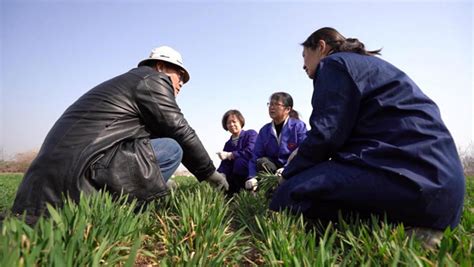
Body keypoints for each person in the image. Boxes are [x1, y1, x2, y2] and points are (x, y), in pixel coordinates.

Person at [270, 27, 466, 239]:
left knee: (289, 193)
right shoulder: (369, 66)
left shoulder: (333, 64)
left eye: (305, 55)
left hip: (412, 183)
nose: (303, 64)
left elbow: (325, 135)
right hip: (437, 185)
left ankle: (400, 229)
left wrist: (290, 172)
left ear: (321, 46)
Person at [12, 46, 228, 225]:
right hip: (74, 184)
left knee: (161, 146)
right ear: (161, 67)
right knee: (172, 149)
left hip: (48, 186)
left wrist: (161, 180)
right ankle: (114, 213)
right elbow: (179, 129)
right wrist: (210, 174)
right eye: (179, 75)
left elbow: (146, 139)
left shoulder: (131, 84)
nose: (181, 83)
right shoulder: (152, 80)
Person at [245, 92, 307, 191]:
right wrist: (252, 177)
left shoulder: (298, 126)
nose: (271, 107)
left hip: (293, 167)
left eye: (276, 104)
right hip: (274, 170)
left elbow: (303, 150)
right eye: (270, 104)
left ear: (288, 109)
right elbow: (255, 155)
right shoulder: (265, 130)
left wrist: (287, 168)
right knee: (262, 162)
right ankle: (271, 194)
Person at [216, 110, 258, 194]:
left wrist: (231, 154)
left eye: (234, 122)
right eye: (228, 123)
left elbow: (250, 151)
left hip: (250, 169)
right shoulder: (228, 143)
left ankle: (250, 191)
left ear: (240, 122)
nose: (231, 125)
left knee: (239, 162)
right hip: (234, 174)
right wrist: (221, 173)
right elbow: (225, 162)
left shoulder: (250, 134)